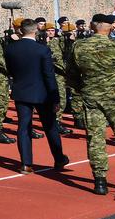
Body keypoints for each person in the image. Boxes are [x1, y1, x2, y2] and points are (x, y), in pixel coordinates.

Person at [67, 14, 115, 195]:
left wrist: (83, 90)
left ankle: (100, 181)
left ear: (92, 25)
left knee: (95, 140)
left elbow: (71, 74)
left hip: (92, 98)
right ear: (109, 27)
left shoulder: (79, 46)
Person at [5, 19, 68, 174]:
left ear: (21, 31)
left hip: (21, 90)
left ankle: (26, 163)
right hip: (42, 93)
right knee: (50, 127)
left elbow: (10, 70)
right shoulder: (42, 50)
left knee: (24, 127)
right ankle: (59, 158)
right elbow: (49, 75)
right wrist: (56, 98)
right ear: (35, 31)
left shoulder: (10, 49)